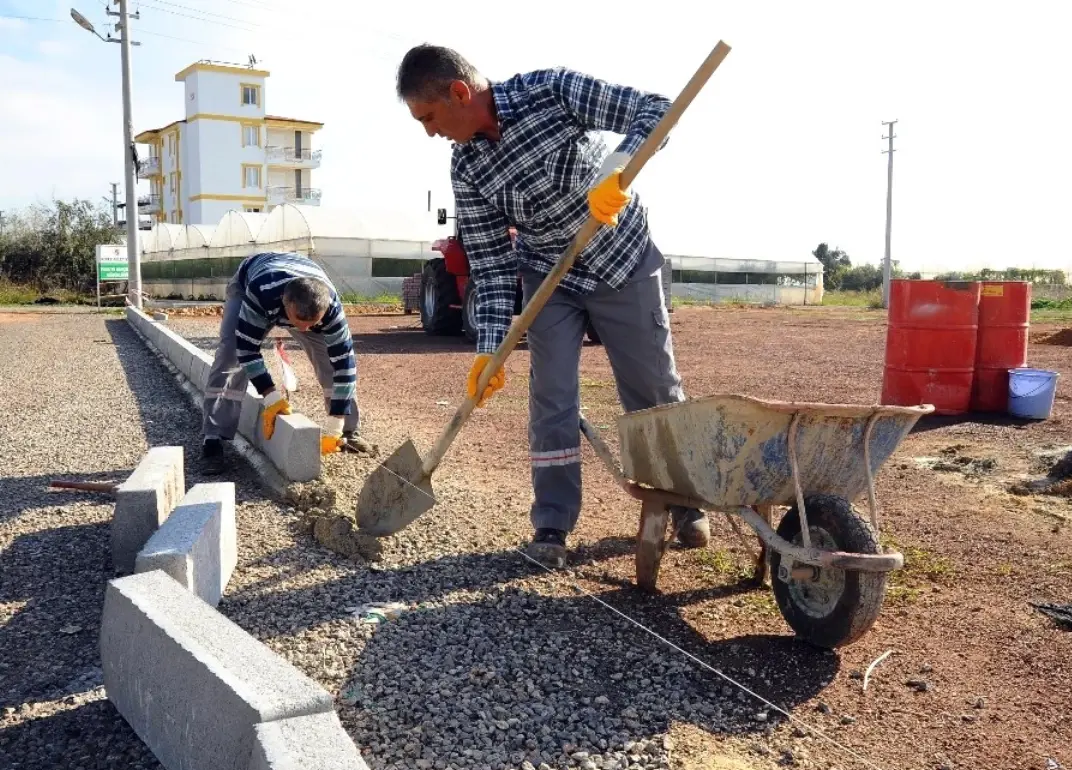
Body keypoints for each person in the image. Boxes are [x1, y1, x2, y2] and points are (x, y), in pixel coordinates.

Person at [394, 44, 709, 568]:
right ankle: (553, 521)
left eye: (429, 117)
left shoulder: (551, 91)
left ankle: (680, 501)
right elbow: (492, 269)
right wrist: (489, 351)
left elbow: (655, 109)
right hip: (550, 279)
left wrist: (617, 168)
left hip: (621, 260)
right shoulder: (467, 166)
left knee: (652, 389)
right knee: (552, 397)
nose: (430, 131)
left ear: (458, 93)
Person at [200, 251, 369, 475]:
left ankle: (348, 432)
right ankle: (213, 438)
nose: (303, 330)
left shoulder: (331, 309)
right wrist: (271, 397)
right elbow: (248, 349)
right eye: (298, 322)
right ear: (285, 303)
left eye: (312, 324)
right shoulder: (263, 293)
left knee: (329, 359)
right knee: (230, 353)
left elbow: (345, 365)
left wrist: (335, 426)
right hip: (250, 281)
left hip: (301, 289)